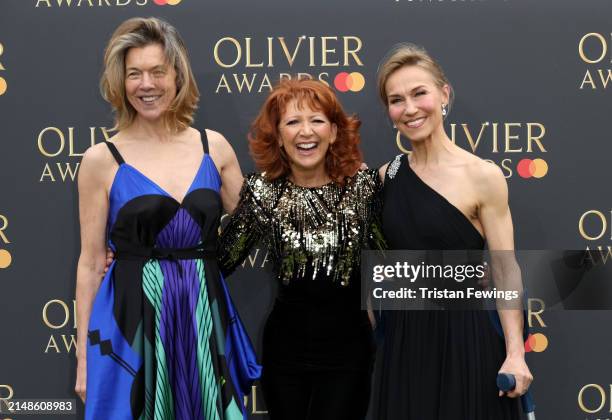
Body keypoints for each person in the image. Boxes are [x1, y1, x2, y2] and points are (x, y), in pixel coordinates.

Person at [74, 17, 260, 420]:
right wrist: (84, 358)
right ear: (120, 83)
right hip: (131, 323)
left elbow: (255, 222)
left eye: (158, 71)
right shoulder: (101, 160)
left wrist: (208, 262)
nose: (147, 84)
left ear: (177, 75)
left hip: (202, 318)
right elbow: (90, 264)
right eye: (134, 74)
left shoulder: (214, 147)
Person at [372, 43, 533, 419]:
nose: (409, 109)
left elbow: (505, 269)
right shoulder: (386, 176)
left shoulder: (482, 175)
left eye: (419, 93)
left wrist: (515, 352)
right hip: (406, 343)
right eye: (397, 100)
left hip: (467, 338)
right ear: (390, 112)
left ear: (443, 95)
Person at [218, 78, 384, 420]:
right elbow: (219, 260)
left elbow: (396, 256)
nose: (305, 132)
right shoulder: (263, 194)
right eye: (293, 122)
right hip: (285, 354)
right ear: (278, 136)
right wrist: (135, 261)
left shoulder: (364, 189)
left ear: (335, 132)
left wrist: (464, 272)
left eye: (317, 120)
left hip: (349, 352)